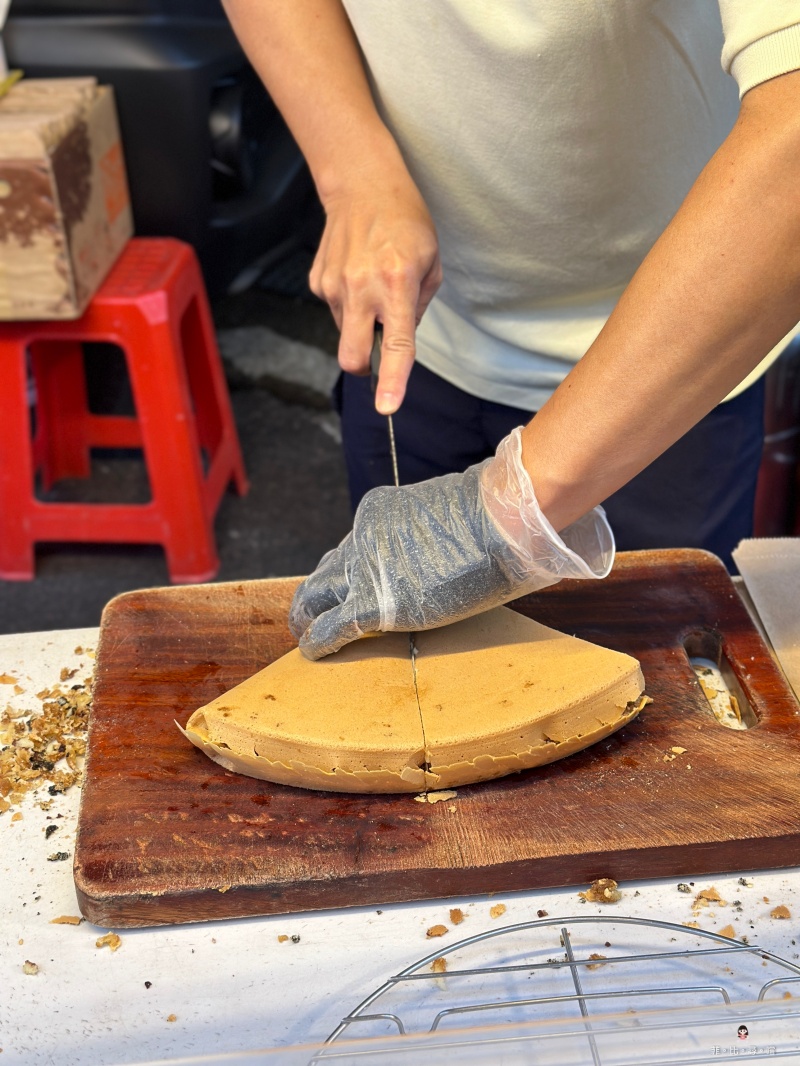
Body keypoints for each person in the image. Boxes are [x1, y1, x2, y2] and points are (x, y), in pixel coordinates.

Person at [222, 1, 800, 659]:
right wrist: (351, 167)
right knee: (405, 691)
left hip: (669, 381)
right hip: (419, 343)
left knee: (657, 722)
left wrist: (503, 513)